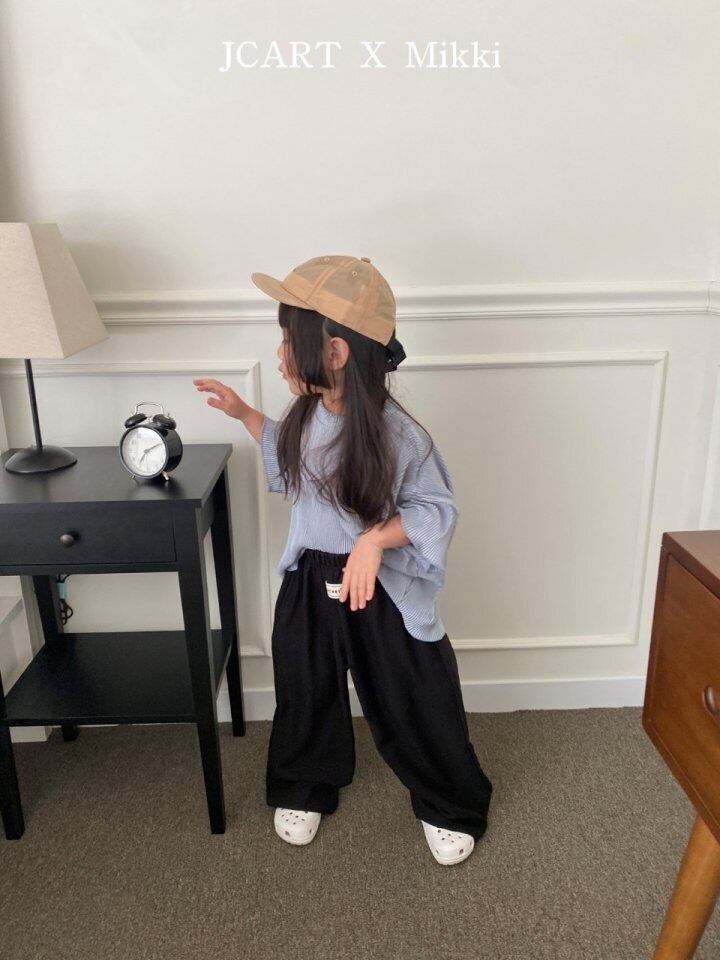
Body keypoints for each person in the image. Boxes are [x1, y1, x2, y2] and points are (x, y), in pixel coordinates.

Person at [193, 254, 493, 865]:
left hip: (382, 587)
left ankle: (447, 801)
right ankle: (305, 785)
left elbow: (436, 511)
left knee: (411, 692)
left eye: (289, 341)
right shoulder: (305, 415)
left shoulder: (399, 435)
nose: (280, 354)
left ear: (334, 353)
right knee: (305, 684)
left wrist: (372, 541)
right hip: (310, 577)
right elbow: (291, 461)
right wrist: (243, 413)